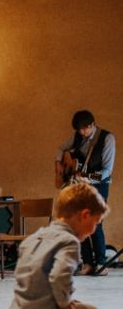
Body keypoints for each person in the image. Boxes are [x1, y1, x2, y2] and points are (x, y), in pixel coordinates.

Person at [55, 110, 115, 275]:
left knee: (96, 222)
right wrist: (58, 163)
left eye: (84, 129)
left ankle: (101, 264)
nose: (81, 133)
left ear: (92, 125)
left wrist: (89, 178)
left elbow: (107, 171)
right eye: (79, 130)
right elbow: (61, 148)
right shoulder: (77, 136)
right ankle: (87, 263)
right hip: (80, 184)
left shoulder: (107, 139)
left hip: (99, 184)